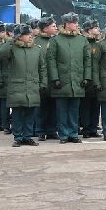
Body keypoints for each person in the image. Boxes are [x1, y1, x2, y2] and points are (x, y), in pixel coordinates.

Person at [0, 24, 45, 147]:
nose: (31, 37)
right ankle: (18, 137)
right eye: (27, 35)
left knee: (30, 113)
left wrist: (43, 83)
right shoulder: (11, 48)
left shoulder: (37, 49)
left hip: (32, 85)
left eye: (31, 34)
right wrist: (11, 42)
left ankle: (28, 136)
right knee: (17, 114)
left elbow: (42, 68)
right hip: (17, 86)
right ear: (19, 37)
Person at [46, 12, 88, 143]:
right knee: (62, 110)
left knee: (74, 110)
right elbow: (51, 61)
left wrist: (86, 77)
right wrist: (55, 78)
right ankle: (64, 134)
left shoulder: (82, 40)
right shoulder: (55, 40)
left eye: (76, 22)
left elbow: (87, 60)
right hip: (61, 81)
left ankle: (73, 134)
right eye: (74, 22)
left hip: (77, 81)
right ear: (67, 24)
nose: (76, 24)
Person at [33, 17, 58, 140]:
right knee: (41, 108)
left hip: (54, 80)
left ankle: (52, 130)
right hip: (41, 80)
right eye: (53, 26)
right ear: (45, 28)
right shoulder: (35, 42)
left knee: (53, 107)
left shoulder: (56, 41)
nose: (56, 28)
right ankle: (40, 131)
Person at [80, 21, 102, 137]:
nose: (98, 29)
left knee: (95, 105)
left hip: (97, 79)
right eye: (95, 28)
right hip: (86, 79)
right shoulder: (83, 43)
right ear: (89, 30)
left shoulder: (99, 44)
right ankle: (86, 128)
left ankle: (93, 128)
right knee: (85, 106)